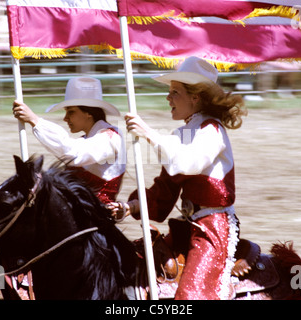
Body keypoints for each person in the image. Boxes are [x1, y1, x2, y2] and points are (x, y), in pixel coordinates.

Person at [110, 56, 247, 299]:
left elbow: (188, 163)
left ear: (195, 97)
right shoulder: (183, 133)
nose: (168, 97)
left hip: (213, 229)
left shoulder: (212, 131)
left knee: (193, 295)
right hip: (189, 226)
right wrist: (129, 207)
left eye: (175, 92)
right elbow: (165, 189)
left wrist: (149, 134)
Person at [13, 76, 126, 205]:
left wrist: (35, 121)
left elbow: (74, 153)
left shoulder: (110, 138)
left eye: (71, 112)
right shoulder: (89, 139)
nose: (65, 118)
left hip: (95, 219)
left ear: (89, 112)